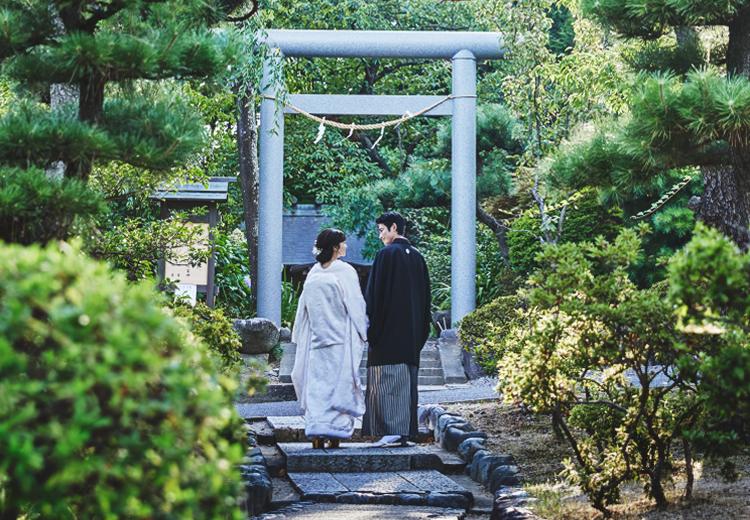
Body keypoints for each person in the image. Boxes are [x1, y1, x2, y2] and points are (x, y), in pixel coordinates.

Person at [291, 228, 368, 449]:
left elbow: (302, 306)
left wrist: (299, 333)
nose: (346, 247)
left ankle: (316, 433)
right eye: (343, 243)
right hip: (340, 338)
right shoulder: (345, 271)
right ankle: (334, 434)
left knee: (317, 386)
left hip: (318, 338)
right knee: (339, 385)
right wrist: (363, 331)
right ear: (335, 247)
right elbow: (355, 304)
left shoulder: (315, 272)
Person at [362, 211, 431, 447]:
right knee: (407, 383)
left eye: (382, 230)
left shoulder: (386, 255)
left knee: (387, 381)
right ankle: (404, 432)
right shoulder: (418, 257)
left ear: (394, 228)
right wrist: (421, 333)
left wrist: (371, 330)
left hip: (388, 333)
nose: (381, 236)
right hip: (411, 335)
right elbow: (426, 300)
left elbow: (375, 296)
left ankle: (390, 430)